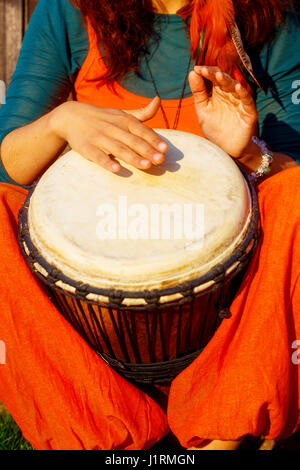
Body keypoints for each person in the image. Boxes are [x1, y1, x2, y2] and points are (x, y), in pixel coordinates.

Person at [0, 0, 299, 450]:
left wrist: (250, 152)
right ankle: (101, 431)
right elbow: (10, 165)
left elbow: (291, 173)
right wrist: (62, 122)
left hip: (230, 286)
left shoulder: (264, 14)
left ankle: (224, 430)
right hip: (100, 266)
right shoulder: (69, 11)